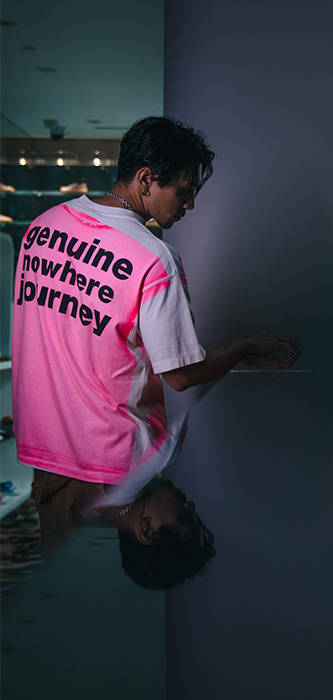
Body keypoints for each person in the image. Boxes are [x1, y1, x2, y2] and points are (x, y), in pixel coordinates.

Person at [12, 116, 299, 549]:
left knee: (67, 587)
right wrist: (245, 346)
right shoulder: (153, 258)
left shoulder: (41, 228)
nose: (190, 205)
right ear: (146, 179)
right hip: (115, 467)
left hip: (47, 458)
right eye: (185, 190)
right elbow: (182, 374)